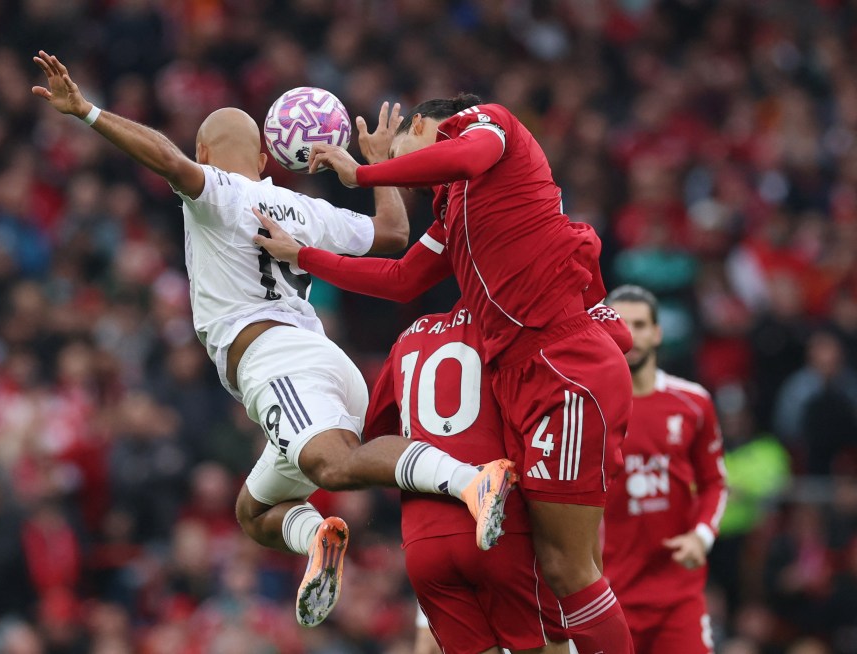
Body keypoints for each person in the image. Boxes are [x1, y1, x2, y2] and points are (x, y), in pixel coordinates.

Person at [30, 53, 516, 628]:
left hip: (276, 362)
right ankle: (318, 535)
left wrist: (86, 111)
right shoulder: (307, 209)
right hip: (324, 363)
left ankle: (471, 479)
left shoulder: (216, 193)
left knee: (332, 468)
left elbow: (164, 157)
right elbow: (393, 233)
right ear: (265, 158)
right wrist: (378, 166)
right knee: (254, 510)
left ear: (204, 155)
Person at [256, 93, 635, 651]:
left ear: (426, 125)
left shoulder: (489, 125)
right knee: (556, 567)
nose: (408, 177)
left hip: (563, 367)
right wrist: (304, 256)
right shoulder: (453, 209)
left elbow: (464, 156)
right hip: (519, 378)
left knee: (568, 567)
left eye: (404, 147)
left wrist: (363, 172)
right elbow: (403, 278)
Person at [366, 301, 571, 654]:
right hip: (498, 525)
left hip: (422, 540)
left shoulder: (408, 337)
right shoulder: (507, 326)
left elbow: (377, 434)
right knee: (545, 646)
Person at [604, 285, 728, 654]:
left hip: (678, 597)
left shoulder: (693, 403)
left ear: (657, 332)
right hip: (608, 597)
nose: (631, 335)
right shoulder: (587, 409)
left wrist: (701, 537)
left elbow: (715, 483)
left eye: (640, 324)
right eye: (620, 324)